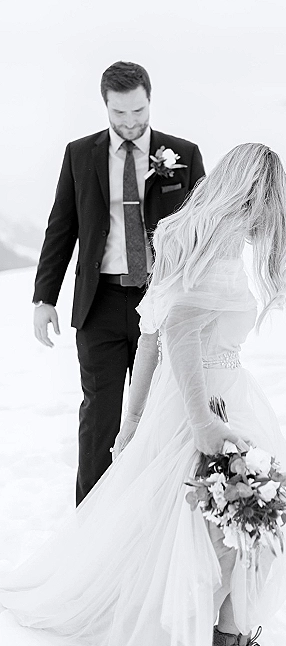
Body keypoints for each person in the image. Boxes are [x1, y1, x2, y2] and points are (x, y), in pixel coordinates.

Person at [1, 143, 286, 646]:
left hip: (181, 399)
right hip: (208, 402)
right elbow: (180, 331)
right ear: (261, 194)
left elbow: (150, 338)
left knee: (199, 527)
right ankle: (220, 644)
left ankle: (213, 637)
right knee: (241, 530)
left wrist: (134, 418)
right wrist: (203, 420)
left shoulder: (182, 233)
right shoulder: (223, 242)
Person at [32, 61, 205, 504]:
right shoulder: (80, 154)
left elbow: (204, 231)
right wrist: (43, 298)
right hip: (101, 302)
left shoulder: (183, 154)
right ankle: (90, 525)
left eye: (138, 112)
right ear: (105, 105)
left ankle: (157, 519)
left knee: (163, 415)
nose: (130, 123)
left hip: (163, 302)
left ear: (150, 99)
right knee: (100, 418)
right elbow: (61, 226)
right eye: (119, 114)